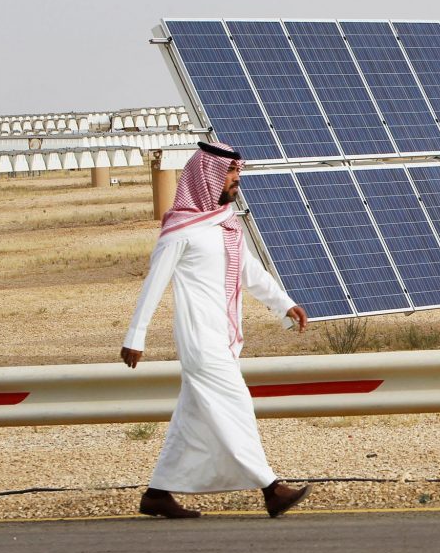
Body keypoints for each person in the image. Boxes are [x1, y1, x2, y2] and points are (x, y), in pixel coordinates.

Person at [120, 141, 311, 519]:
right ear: (208, 177)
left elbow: (250, 273)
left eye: (238, 172)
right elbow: (154, 284)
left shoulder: (226, 224)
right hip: (199, 338)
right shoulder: (181, 230)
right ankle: (272, 489)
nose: (237, 179)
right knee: (235, 403)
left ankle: (157, 494)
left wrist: (283, 303)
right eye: (231, 173)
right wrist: (135, 337)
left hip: (224, 336)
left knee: (192, 417)